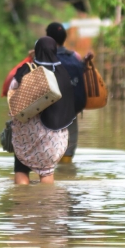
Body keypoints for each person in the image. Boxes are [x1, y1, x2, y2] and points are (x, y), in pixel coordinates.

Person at [9, 37, 76, 185]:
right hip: (52, 136)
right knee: (46, 172)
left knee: (21, 168)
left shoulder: (25, 70)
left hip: (25, 133)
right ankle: (46, 203)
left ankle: (22, 201)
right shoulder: (63, 74)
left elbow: (11, 93)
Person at [45, 21, 92, 163]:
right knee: (68, 153)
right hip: (71, 110)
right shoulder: (75, 57)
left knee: (47, 156)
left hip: (49, 114)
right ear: (64, 38)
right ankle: (67, 173)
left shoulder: (44, 58)